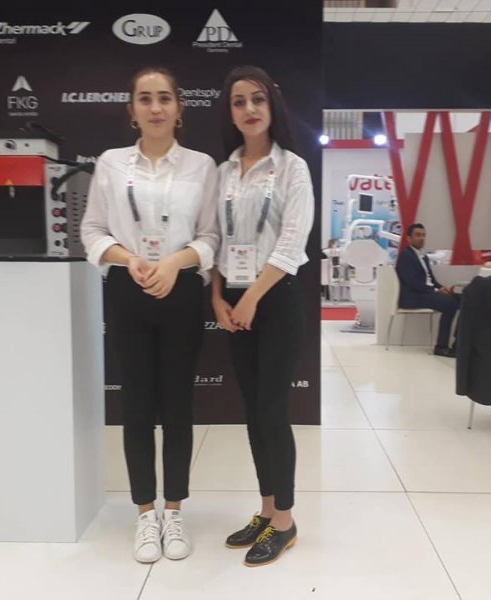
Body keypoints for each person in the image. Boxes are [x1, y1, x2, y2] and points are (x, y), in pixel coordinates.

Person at [80, 67, 218, 564]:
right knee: (137, 408)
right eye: (145, 98)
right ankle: (144, 514)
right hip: (128, 288)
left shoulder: (202, 166)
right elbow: (92, 230)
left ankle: (174, 511)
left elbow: (211, 236)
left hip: (180, 289)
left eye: (164, 98)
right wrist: (128, 258)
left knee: (177, 407)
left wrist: (175, 262)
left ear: (179, 108)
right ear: (132, 110)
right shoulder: (111, 163)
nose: (155, 107)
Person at [211, 65, 314, 567]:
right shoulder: (223, 173)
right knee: (253, 411)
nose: (249, 109)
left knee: (273, 410)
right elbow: (215, 239)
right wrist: (218, 297)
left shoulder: (293, 168)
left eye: (257, 99)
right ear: (230, 112)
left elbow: (292, 241)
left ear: (272, 105)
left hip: (274, 298)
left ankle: (286, 522)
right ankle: (267, 510)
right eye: (239, 101)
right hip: (233, 300)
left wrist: (252, 296)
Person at [395, 223, 459, 357]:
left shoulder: (424, 257)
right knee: (450, 304)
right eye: (418, 235)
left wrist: (441, 288)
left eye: (423, 235)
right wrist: (435, 290)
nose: (421, 238)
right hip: (413, 296)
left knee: (462, 299)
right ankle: (441, 347)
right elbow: (412, 283)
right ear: (409, 238)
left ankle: (459, 343)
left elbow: (431, 280)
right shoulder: (406, 256)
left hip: (426, 293)